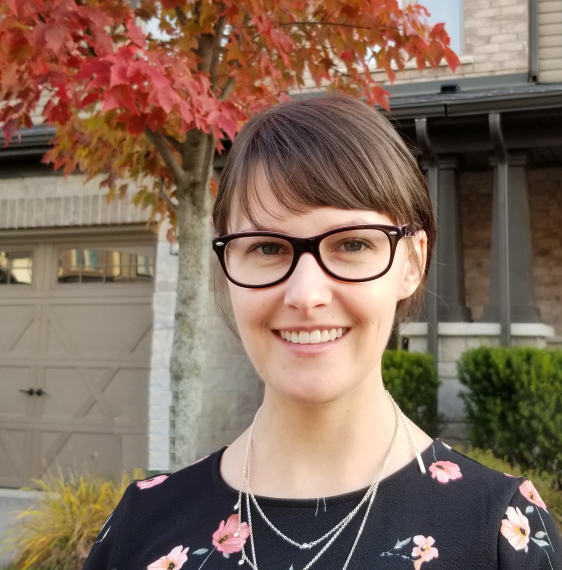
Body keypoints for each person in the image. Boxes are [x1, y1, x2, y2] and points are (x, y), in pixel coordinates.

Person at [83, 96, 562, 570]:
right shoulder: (141, 527)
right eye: (267, 246)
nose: (306, 294)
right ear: (226, 265)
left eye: (352, 243)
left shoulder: (501, 533)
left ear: (412, 262)